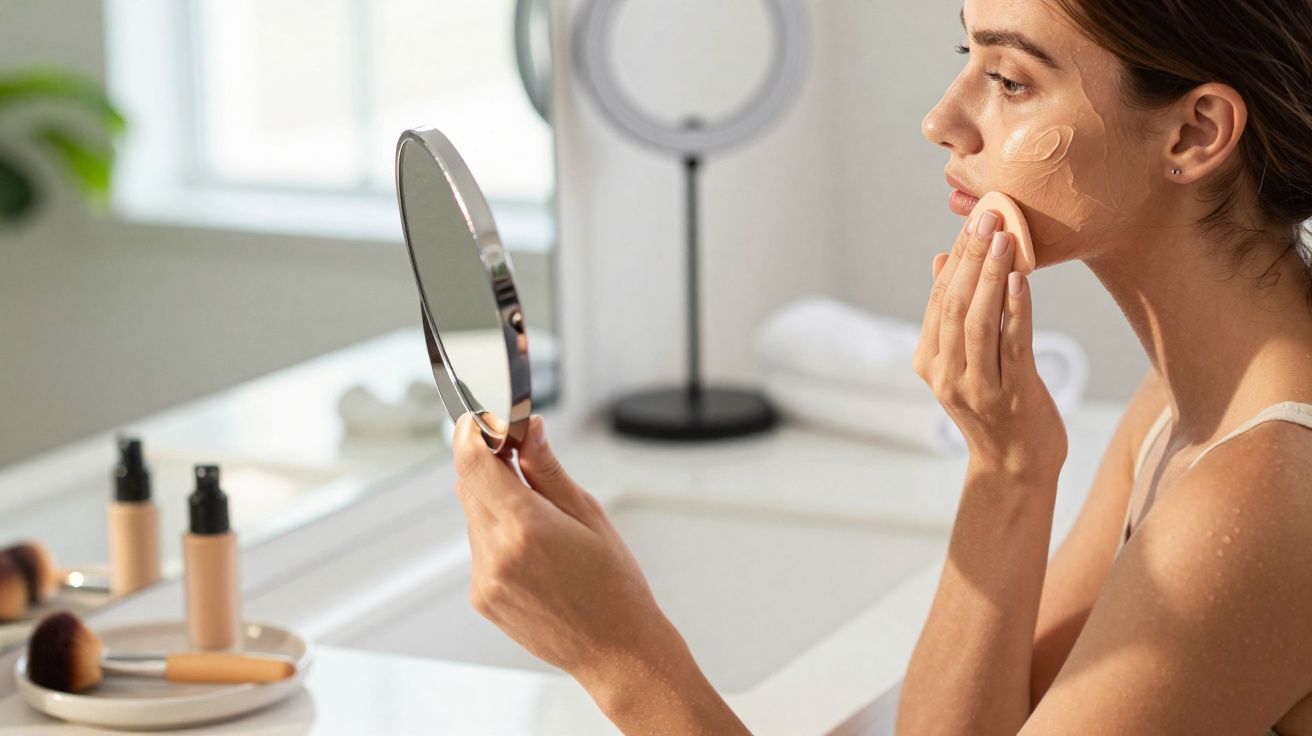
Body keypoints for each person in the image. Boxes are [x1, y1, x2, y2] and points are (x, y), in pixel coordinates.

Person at [450, 0, 1312, 732]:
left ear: (1195, 133)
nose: (943, 119)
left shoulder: (1267, 489)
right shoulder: (1185, 404)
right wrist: (1007, 470)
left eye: (1011, 81)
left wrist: (620, 656)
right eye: (966, 58)